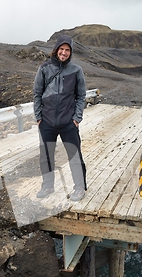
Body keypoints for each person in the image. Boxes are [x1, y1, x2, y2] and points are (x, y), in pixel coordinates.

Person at [33, 35, 87, 201]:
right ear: (56, 50)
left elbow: (81, 96)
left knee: (74, 155)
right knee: (46, 156)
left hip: (68, 123)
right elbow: (37, 93)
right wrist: (38, 117)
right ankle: (48, 186)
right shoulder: (44, 69)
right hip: (47, 122)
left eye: (67, 50)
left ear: (70, 53)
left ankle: (79, 188)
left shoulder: (76, 70)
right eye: (61, 49)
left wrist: (77, 118)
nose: (64, 53)